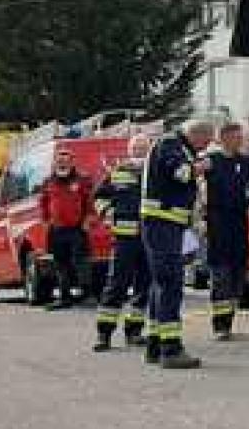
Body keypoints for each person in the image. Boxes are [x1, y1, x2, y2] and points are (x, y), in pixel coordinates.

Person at [141, 120, 214, 369]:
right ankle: (170, 348)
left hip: (170, 225)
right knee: (170, 283)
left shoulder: (174, 145)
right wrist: (200, 168)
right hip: (163, 223)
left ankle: (154, 343)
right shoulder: (171, 144)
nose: (205, 147)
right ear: (195, 134)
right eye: (206, 141)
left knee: (160, 283)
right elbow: (180, 174)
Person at [93, 134, 155, 352]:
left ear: (150, 150)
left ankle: (134, 331)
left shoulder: (155, 172)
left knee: (143, 287)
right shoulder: (118, 172)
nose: (139, 151)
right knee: (116, 285)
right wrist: (107, 213)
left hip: (149, 239)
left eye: (143, 147)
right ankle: (104, 333)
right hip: (124, 239)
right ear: (129, 150)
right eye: (136, 147)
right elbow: (99, 196)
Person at [204, 122, 249, 341]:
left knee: (238, 274)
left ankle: (230, 317)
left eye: (242, 137)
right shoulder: (211, 161)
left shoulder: (247, 162)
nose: (241, 141)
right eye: (237, 137)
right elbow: (198, 186)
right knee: (221, 275)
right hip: (218, 223)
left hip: (240, 223)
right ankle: (220, 325)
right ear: (224, 138)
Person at [37, 149, 95, 311]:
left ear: (72, 162)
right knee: (60, 265)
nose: (62, 162)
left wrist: (88, 220)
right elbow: (43, 203)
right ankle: (64, 297)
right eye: (59, 160)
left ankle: (88, 295)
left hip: (77, 229)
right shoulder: (48, 181)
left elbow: (89, 202)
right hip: (56, 230)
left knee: (81, 262)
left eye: (66, 159)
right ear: (55, 163)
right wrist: (46, 221)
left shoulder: (81, 180)